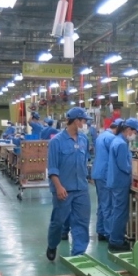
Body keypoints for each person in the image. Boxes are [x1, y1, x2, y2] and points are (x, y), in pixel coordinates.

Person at [45, 107, 92, 261]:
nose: (85, 124)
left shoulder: (84, 139)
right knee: (58, 221)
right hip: (63, 189)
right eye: (83, 121)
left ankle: (78, 254)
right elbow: (52, 168)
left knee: (82, 222)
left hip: (81, 188)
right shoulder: (56, 142)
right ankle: (52, 244)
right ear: (76, 121)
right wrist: (58, 187)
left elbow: (85, 161)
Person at [106, 118, 138, 252]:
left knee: (116, 210)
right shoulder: (121, 144)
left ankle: (114, 237)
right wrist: (137, 171)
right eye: (135, 132)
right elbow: (124, 166)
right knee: (120, 212)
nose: (135, 135)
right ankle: (116, 241)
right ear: (128, 130)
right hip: (120, 182)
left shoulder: (117, 141)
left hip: (115, 181)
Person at [92, 118, 123, 242]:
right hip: (105, 174)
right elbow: (117, 156)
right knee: (108, 205)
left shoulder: (102, 135)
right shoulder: (111, 138)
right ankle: (109, 233)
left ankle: (101, 230)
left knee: (102, 203)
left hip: (97, 173)